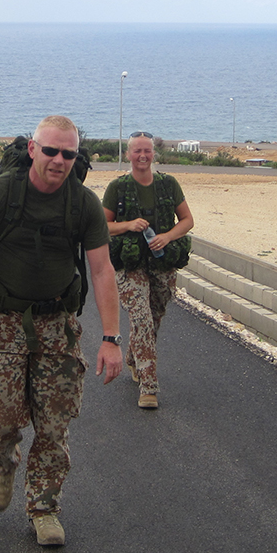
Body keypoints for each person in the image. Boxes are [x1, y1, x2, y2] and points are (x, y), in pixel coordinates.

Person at [0, 116, 122, 547]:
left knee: (54, 423)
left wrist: (112, 338)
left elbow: (101, 270)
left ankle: (44, 508)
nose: (59, 161)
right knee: (2, 417)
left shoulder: (81, 203)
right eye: (51, 151)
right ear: (32, 150)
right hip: (0, 322)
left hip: (57, 325)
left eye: (69, 154)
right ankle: (3, 463)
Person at [102, 131, 194, 409]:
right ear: (128, 155)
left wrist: (167, 236)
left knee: (154, 317)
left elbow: (187, 220)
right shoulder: (117, 188)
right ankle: (148, 386)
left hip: (162, 262)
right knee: (141, 318)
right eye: (137, 151)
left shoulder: (168, 185)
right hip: (130, 265)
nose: (142, 156)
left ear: (154, 154)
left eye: (147, 151)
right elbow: (102, 225)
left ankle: (133, 357)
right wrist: (128, 225)